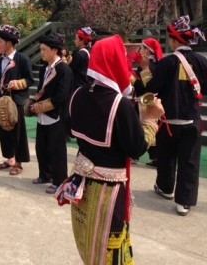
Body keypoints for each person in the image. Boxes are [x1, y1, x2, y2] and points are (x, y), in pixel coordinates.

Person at [55, 35, 164, 265]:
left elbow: (70, 129)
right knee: (108, 249)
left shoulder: (78, 94)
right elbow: (137, 148)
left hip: (82, 184)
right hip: (108, 190)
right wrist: (151, 119)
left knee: (89, 243)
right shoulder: (119, 104)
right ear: (114, 62)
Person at [141, 15, 207, 216]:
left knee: (166, 157)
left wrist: (145, 71)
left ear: (173, 39)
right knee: (189, 161)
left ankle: (165, 188)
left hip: (168, 120)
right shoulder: (201, 61)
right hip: (191, 119)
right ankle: (184, 202)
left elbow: (153, 89)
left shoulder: (167, 62)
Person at [0, 25, 34, 175]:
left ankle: (18, 162)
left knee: (17, 133)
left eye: (0, 41)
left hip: (16, 101)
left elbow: (30, 80)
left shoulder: (22, 59)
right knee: (3, 131)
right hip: (1, 101)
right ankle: (10, 158)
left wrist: (17, 84)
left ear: (9, 43)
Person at [30, 33, 73, 194]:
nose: (41, 52)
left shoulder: (64, 70)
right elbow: (41, 90)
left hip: (57, 115)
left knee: (57, 151)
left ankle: (59, 180)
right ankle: (45, 175)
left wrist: (40, 107)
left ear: (55, 50)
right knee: (41, 147)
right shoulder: (44, 69)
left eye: (44, 49)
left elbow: (61, 96)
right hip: (43, 116)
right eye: (40, 49)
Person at [131, 38, 163, 168]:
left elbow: (148, 87)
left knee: (140, 127)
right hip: (143, 101)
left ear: (149, 51)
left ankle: (135, 153)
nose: (140, 50)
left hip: (146, 102)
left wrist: (132, 79)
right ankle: (154, 157)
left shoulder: (150, 66)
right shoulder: (152, 64)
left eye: (143, 48)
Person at [67, 26, 95, 91]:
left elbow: (70, 71)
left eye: (76, 39)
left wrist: (67, 64)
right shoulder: (87, 53)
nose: (74, 41)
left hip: (77, 87)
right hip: (84, 85)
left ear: (82, 41)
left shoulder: (80, 54)